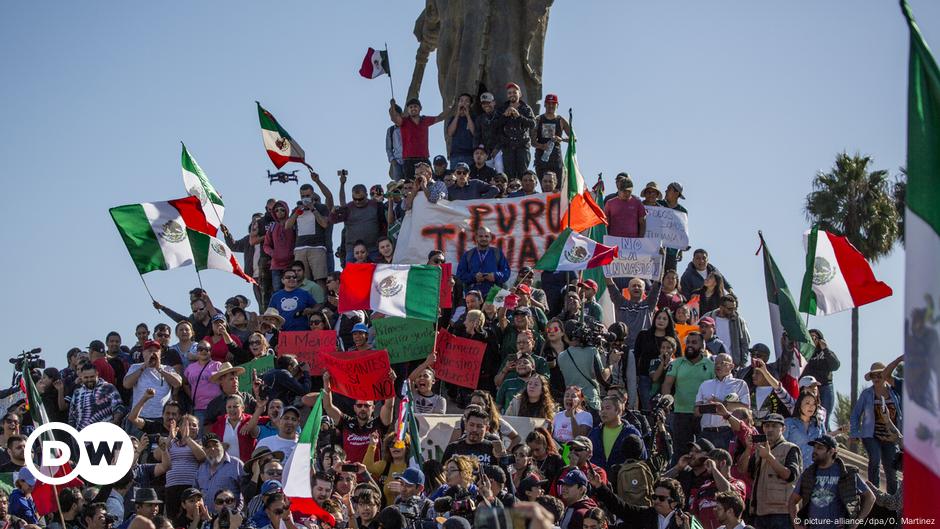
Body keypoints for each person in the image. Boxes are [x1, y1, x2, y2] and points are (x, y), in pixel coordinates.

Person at [788, 435, 875, 529]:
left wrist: (856, 521)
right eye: (815, 447)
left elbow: (870, 497)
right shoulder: (808, 474)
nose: (815, 451)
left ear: (831, 451)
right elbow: (792, 501)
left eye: (820, 448)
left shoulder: (847, 473)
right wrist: (796, 524)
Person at [661, 332, 715, 462]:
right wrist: (666, 402)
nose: (690, 345)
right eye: (688, 342)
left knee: (705, 452)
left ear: (702, 346)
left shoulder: (710, 365)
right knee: (681, 452)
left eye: (694, 343)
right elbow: (667, 384)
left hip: (703, 415)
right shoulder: (677, 363)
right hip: (681, 413)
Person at [850, 361, 901, 495]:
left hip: (890, 437)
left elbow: (902, 415)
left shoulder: (895, 394)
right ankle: (874, 495)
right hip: (871, 435)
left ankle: (893, 502)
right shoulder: (867, 394)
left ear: (885, 376)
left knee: (891, 469)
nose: (877, 378)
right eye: (874, 376)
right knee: (875, 458)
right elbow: (855, 414)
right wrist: (854, 433)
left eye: (880, 375)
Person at [322, 372, 395, 464]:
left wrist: (390, 383)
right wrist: (326, 383)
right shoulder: (346, 422)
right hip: (349, 475)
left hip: (372, 476)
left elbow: (389, 406)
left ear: (373, 408)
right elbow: (328, 406)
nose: (363, 409)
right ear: (354, 408)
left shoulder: (379, 424)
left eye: (367, 406)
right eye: (359, 405)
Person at [746, 413, 801, 528]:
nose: (769, 429)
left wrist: (768, 457)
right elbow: (744, 471)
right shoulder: (759, 450)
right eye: (766, 426)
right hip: (759, 512)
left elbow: (790, 476)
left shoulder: (790, 448)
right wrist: (748, 449)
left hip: (781, 513)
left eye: (774, 426)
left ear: (783, 429)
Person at [588, 475, 692, 529]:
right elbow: (620, 507)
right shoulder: (646, 514)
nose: (656, 501)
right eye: (654, 497)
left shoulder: (686, 520)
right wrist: (599, 486)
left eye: (661, 498)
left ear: (674, 502)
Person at [695, 353, 750, 449]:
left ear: (732, 366)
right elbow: (696, 412)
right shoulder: (705, 384)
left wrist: (721, 404)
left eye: (722, 363)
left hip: (727, 432)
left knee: (725, 462)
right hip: (706, 433)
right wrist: (707, 407)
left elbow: (745, 408)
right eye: (716, 363)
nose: (718, 366)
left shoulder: (739, 384)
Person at [389, 97, 449, 179]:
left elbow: (440, 117)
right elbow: (394, 118)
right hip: (409, 161)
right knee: (411, 185)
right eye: (410, 107)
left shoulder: (425, 120)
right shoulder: (404, 121)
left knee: (429, 183)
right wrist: (392, 106)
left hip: (424, 159)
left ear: (420, 108)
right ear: (408, 110)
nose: (413, 108)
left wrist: (452, 107)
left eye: (415, 106)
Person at [633, 309, 680, 411]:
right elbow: (636, 356)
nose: (661, 321)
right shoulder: (643, 335)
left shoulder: (673, 337)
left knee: (663, 409)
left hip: (667, 378)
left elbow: (680, 357)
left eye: (664, 319)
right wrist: (635, 375)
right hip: (645, 377)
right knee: (648, 408)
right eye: (659, 318)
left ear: (669, 322)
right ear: (654, 319)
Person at [687, 449, 746, 529]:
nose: (707, 467)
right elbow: (694, 514)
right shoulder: (703, 488)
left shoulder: (738, 483)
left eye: (711, 463)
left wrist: (714, 469)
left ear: (723, 463)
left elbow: (727, 492)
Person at [124, 341, 183, 421]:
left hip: (162, 418)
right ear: (143, 353)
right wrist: (143, 367)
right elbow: (126, 384)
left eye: (156, 351)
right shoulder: (135, 367)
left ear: (160, 354)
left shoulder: (167, 368)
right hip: (140, 417)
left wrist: (159, 369)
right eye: (150, 351)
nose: (153, 353)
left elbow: (178, 383)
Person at [588, 396, 645, 476]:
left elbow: (642, 458)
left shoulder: (631, 432)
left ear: (618, 410)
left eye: (607, 408)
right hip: (597, 481)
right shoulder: (594, 433)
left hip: (623, 479)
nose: (603, 412)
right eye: (602, 409)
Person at [494, 83, 536, 179]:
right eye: (509, 93)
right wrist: (504, 116)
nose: (512, 94)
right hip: (508, 147)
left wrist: (519, 116)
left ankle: (524, 193)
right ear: (507, 95)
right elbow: (494, 125)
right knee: (509, 175)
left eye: (514, 92)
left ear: (520, 94)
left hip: (522, 146)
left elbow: (533, 124)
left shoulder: (526, 108)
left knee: (523, 174)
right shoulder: (502, 108)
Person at [68, 362, 126, 429]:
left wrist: (115, 423)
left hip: (105, 433)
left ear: (97, 374)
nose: (89, 380)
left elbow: (119, 407)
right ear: (81, 376)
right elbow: (71, 417)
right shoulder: (77, 392)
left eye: (92, 377)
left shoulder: (108, 387)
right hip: (82, 435)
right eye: (86, 377)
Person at [455, 227, 511, 297]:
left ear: (490, 238)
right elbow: (460, 275)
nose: (484, 239)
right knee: (474, 308)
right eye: (481, 236)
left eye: (486, 236)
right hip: (474, 296)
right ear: (476, 238)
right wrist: (474, 277)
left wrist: (495, 276)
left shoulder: (497, 253)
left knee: (492, 308)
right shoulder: (468, 255)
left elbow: (506, 272)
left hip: (494, 295)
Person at [196, 434, 244, 514]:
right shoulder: (201, 468)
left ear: (222, 445)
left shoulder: (236, 464)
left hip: (231, 518)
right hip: (206, 520)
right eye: (208, 447)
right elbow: (196, 493)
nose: (212, 448)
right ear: (204, 450)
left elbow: (246, 492)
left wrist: (237, 513)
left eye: (215, 445)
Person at [802, 330, 840, 431]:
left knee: (824, 415)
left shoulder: (826, 352)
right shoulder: (804, 352)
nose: (813, 339)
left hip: (825, 386)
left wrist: (825, 349)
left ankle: (824, 436)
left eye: (816, 337)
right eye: (811, 337)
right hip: (810, 387)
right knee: (809, 414)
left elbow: (835, 365)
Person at [702, 296, 750, 367]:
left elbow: (745, 343)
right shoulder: (709, 317)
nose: (733, 312)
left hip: (732, 365)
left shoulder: (739, 321)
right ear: (721, 307)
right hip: (710, 362)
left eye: (735, 309)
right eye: (730, 309)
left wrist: (742, 363)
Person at [784, 392, 827, 470]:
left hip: (812, 472)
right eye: (807, 403)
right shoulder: (788, 423)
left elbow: (825, 447)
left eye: (814, 404)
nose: (811, 406)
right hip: (792, 470)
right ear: (800, 404)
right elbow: (781, 446)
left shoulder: (819, 425)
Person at [532, 94, 569, 178]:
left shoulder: (561, 120)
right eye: (548, 103)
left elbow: (574, 139)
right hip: (541, 158)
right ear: (544, 104)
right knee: (544, 187)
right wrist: (541, 146)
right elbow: (532, 141)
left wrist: (561, 139)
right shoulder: (538, 119)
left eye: (553, 103)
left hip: (556, 159)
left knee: (558, 188)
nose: (551, 106)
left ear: (557, 105)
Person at [446, 93, 476, 168]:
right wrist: (457, 115)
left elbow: (474, 132)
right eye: (461, 101)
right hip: (455, 155)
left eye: (466, 101)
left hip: (469, 155)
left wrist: (468, 115)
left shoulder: (474, 118)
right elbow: (450, 133)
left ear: (470, 104)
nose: (464, 103)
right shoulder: (453, 118)